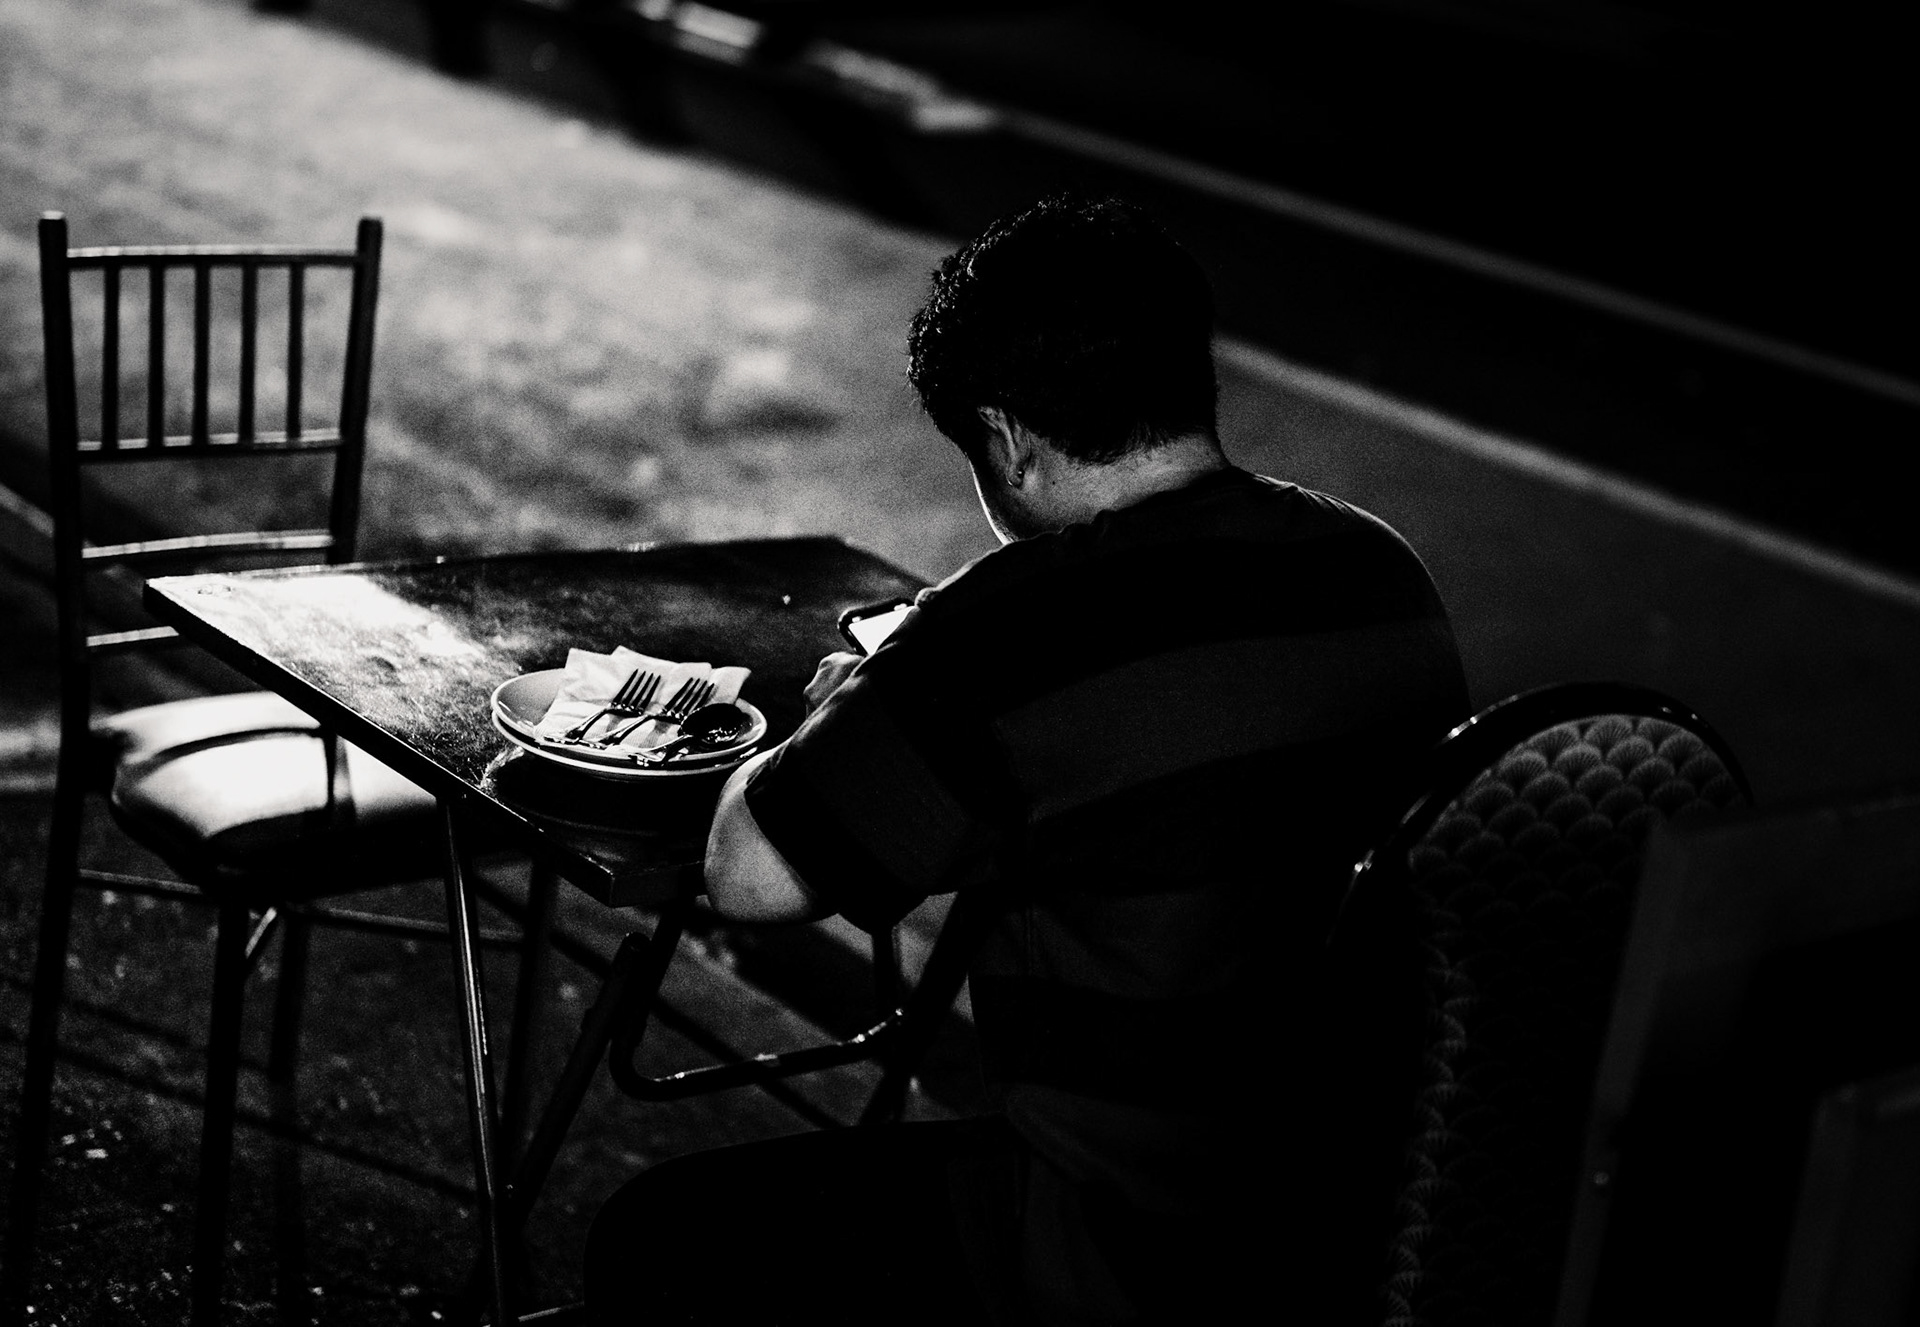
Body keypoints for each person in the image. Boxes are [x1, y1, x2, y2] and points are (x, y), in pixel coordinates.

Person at [583, 192, 1470, 1324]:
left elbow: (750, 876)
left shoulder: (1016, 622)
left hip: (1118, 1247)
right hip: (1357, 1220)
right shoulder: (1380, 571)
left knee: (658, 1236)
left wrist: (856, 691)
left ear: (1005, 439)